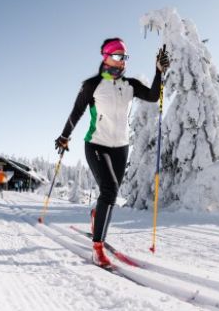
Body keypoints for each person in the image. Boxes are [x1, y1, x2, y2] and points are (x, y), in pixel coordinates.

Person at [55, 37, 170, 267]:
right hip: (97, 144)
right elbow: (76, 112)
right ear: (106, 57)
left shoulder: (130, 86)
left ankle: (97, 216)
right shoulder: (92, 85)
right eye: (118, 56)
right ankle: (97, 249)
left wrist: (158, 72)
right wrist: (65, 136)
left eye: (124, 57)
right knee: (109, 189)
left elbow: (153, 96)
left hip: (121, 147)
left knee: (111, 195)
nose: (122, 61)